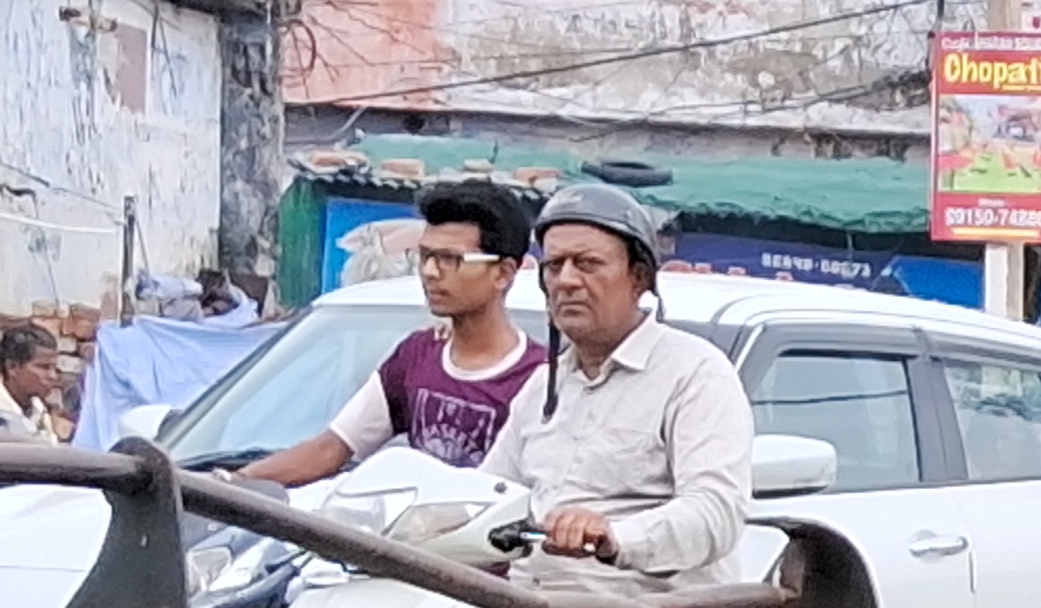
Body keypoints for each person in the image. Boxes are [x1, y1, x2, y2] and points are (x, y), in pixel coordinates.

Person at [477, 182, 753, 585]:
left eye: (587, 264)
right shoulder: (541, 387)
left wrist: (613, 536)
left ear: (638, 278)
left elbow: (716, 513)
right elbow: (487, 500)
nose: (566, 281)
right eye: (554, 266)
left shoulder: (695, 373)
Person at [238, 181, 549, 486]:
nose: (430, 271)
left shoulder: (541, 379)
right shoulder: (417, 354)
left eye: (450, 259)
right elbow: (333, 448)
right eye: (425, 256)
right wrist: (232, 481)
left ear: (504, 273)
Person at [0, 325, 63, 442]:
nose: (53, 376)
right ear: (12, 367)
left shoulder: (39, 411)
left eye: (55, 368)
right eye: (44, 367)